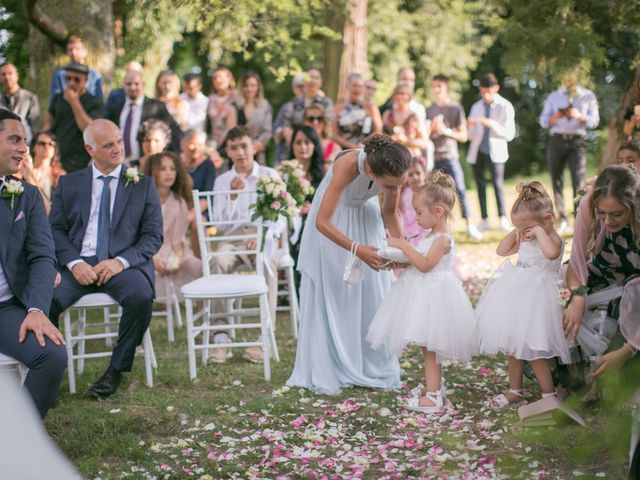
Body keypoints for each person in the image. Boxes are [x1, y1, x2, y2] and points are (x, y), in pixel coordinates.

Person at [286, 134, 411, 395]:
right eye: (388, 186)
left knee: (373, 291)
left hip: (367, 217)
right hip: (334, 222)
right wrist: (356, 249)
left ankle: (368, 361)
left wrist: (401, 249)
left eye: (396, 186)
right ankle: (333, 361)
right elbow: (321, 221)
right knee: (337, 292)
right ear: (372, 173)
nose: (392, 189)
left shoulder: (394, 169)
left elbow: (389, 212)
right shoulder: (349, 164)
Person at [49, 119, 163, 399]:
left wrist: (119, 262)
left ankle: (115, 371)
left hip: (122, 266)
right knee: (45, 299)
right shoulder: (68, 184)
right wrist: (75, 264)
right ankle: (48, 374)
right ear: (90, 149)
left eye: (119, 141)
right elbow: (54, 231)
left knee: (140, 296)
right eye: (108, 144)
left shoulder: (142, 185)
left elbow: (152, 236)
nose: (118, 148)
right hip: (79, 264)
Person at [367, 172, 476, 412]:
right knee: (427, 347)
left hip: (434, 295)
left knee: (431, 348)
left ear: (438, 211)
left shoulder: (443, 240)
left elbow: (426, 265)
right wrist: (400, 262)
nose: (415, 217)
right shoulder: (431, 235)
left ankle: (434, 394)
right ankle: (434, 387)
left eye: (419, 212)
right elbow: (419, 261)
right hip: (425, 292)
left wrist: (404, 245)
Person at [476, 182, 569, 407]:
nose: (524, 233)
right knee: (513, 348)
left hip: (539, 300)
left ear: (547, 219)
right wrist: (516, 230)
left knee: (536, 351)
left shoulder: (552, 239)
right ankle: (515, 391)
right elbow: (501, 251)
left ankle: (549, 396)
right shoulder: (525, 236)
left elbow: (550, 254)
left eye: (528, 228)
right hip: (518, 298)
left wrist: (538, 231)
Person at [0, 109, 66, 418]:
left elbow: (43, 256)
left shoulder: (26, 195)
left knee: (51, 355)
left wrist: (37, 309)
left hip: (6, 309)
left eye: (24, 141)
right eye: (14, 139)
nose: (23, 149)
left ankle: (19, 439)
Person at [208, 126, 281, 364]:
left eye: (244, 146)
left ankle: (265, 338)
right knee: (217, 261)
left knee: (267, 263)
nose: (240, 152)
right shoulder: (222, 181)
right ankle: (221, 337)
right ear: (227, 152)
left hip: (263, 235)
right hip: (233, 238)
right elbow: (218, 225)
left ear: (254, 147)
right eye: (234, 148)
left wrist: (261, 236)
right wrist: (231, 196)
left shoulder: (270, 175)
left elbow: (280, 216)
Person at [564, 165, 640, 379]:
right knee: (555, 297)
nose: (608, 221)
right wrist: (578, 295)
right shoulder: (587, 205)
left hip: (635, 288)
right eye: (601, 213)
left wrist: (628, 350)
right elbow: (575, 264)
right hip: (603, 276)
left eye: (617, 213)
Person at [539, 70, 599, 232]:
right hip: (557, 139)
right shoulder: (553, 96)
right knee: (556, 179)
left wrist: (581, 117)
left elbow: (595, 121)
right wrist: (556, 117)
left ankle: (579, 216)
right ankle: (562, 218)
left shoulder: (587, 95)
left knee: (578, 179)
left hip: (577, 141)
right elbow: (543, 121)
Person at [426, 74, 481, 240]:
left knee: (460, 191)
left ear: (446, 87)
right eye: (434, 86)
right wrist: (431, 129)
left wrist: (445, 131)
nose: (436, 90)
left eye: (439, 87)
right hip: (432, 157)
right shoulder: (428, 110)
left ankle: (470, 226)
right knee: (433, 195)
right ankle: (438, 229)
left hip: (450, 156)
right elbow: (422, 134)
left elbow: (464, 136)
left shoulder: (456, 108)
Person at [142, 152, 201, 298]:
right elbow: (137, 236)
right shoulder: (142, 200)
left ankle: (203, 307)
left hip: (174, 250)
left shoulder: (179, 202)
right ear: (152, 172)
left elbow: (177, 240)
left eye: (172, 169)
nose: (169, 173)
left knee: (198, 267)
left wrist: (177, 260)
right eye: (163, 169)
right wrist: (153, 258)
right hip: (146, 252)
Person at [467, 73, 515, 233]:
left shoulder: (505, 106)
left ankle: (502, 218)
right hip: (478, 150)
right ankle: (484, 219)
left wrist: (492, 124)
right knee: (480, 185)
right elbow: (470, 135)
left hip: (496, 151)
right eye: (482, 91)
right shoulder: (476, 106)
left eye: (488, 91)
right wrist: (471, 125)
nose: (485, 95)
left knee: (497, 184)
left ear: (496, 88)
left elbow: (510, 134)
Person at [105, 69, 180, 165]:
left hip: (148, 164)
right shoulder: (116, 108)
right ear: (123, 85)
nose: (132, 87)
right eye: (129, 84)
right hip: (119, 163)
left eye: (136, 84)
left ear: (143, 84)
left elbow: (173, 133)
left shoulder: (157, 107)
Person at [43, 61, 103, 173]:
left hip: (79, 163)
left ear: (85, 80)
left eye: (77, 79)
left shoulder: (95, 102)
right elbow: (48, 125)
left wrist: (74, 102)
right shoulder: (58, 98)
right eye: (68, 78)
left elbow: (89, 129)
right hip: (55, 159)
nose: (71, 83)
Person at [280, 68, 334, 148]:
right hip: (296, 147)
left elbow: (328, 127)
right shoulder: (293, 103)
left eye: (316, 78)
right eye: (309, 77)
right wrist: (298, 144)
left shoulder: (326, 103)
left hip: (320, 146)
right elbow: (286, 127)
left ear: (320, 82)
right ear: (303, 81)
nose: (312, 81)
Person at [333, 73, 382, 150]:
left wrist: (363, 144)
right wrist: (352, 146)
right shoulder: (338, 107)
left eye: (360, 86)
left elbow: (378, 130)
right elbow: (334, 135)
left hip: (367, 148)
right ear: (347, 86)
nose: (357, 89)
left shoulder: (371, 107)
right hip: (343, 148)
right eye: (354, 85)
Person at [235, 71, 273, 165]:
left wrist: (256, 145)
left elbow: (267, 130)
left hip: (259, 151)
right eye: (246, 85)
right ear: (241, 87)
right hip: (239, 152)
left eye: (253, 85)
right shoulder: (235, 106)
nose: (249, 89)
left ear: (258, 87)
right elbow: (232, 130)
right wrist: (245, 145)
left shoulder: (265, 106)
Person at [382, 83, 428, 160]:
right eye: (397, 93)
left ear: (409, 96)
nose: (400, 96)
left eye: (403, 94)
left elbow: (424, 143)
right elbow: (380, 136)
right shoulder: (387, 114)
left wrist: (406, 141)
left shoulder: (414, 117)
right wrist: (391, 139)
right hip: (391, 158)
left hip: (411, 158)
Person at [49, 36, 103, 101]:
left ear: (84, 52)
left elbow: (99, 101)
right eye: (70, 50)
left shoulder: (94, 75)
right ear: (67, 53)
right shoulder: (59, 75)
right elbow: (54, 101)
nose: (73, 53)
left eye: (77, 49)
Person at [0, 62, 40, 142]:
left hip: (25, 144)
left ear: (17, 76)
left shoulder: (30, 98)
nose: (7, 77)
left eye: (10, 73)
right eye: (3, 74)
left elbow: (34, 127)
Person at [273, 73, 304, 163]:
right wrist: (284, 131)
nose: (302, 89)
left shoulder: (317, 104)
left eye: (304, 86)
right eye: (299, 86)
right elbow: (276, 129)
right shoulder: (287, 107)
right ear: (294, 88)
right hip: (286, 154)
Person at [398, 157, 428, 247]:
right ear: (406, 178)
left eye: (418, 173)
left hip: (425, 225)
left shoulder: (429, 192)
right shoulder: (404, 193)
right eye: (410, 175)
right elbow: (401, 210)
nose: (415, 177)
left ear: (425, 174)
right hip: (408, 226)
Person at [304, 103, 341, 174]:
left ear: (324, 122)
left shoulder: (334, 148)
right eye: (311, 119)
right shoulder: (297, 144)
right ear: (304, 121)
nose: (315, 122)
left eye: (319, 119)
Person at [206, 67, 237, 150]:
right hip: (212, 143)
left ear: (229, 79)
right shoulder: (210, 99)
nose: (218, 80)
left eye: (220, 77)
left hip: (232, 141)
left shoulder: (236, 97)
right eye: (215, 78)